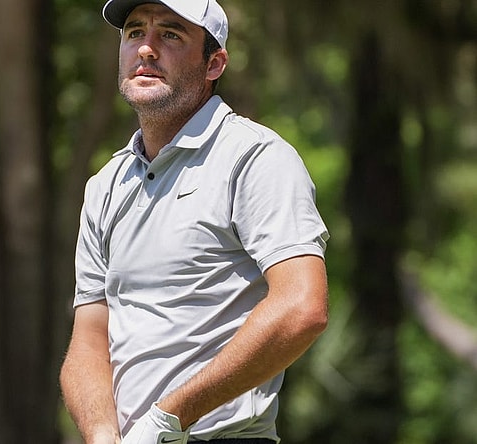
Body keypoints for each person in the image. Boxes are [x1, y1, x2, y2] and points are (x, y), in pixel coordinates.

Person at [59, 1, 330, 443]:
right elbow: (89, 340)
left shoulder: (255, 158)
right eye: (133, 33)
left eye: (170, 35)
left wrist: (169, 417)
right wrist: (101, 433)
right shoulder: (105, 185)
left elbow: (302, 307)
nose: (146, 49)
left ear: (214, 63)